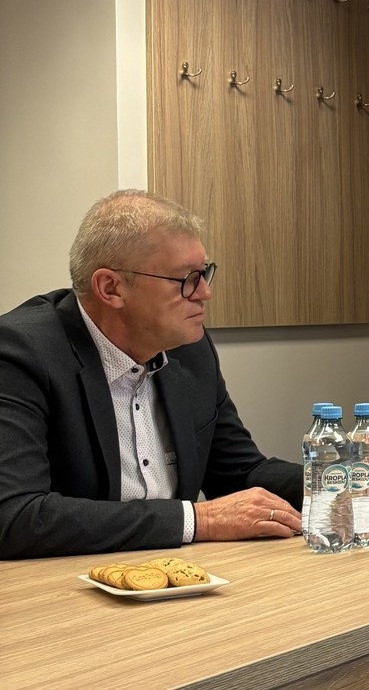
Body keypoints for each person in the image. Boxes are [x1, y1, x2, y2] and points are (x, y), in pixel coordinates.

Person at [0, 190, 303, 560]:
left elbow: (239, 472)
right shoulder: (19, 354)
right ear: (111, 288)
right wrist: (197, 520)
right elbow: (16, 516)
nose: (205, 293)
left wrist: (337, 481)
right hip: (65, 583)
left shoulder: (189, 350)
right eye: (186, 279)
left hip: (174, 572)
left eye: (204, 273)